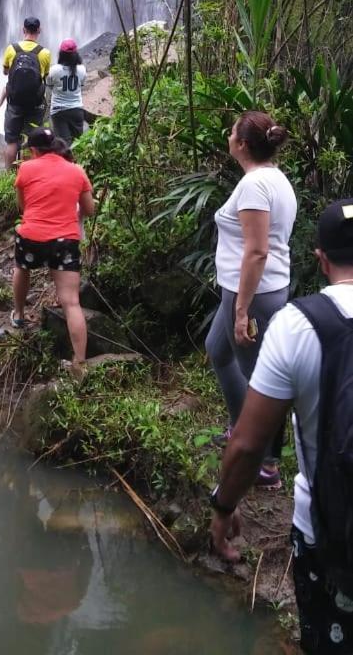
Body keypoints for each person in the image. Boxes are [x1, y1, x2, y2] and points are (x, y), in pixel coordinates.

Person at [210, 199, 353, 654]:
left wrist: (223, 505)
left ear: (321, 258)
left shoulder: (298, 325)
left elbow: (249, 443)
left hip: (329, 536)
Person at [205, 110, 297, 488]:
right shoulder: (270, 178)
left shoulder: (255, 185)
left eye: (231, 132)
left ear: (242, 144)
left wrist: (241, 310)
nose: (227, 136)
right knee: (218, 349)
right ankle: (241, 430)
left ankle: (267, 464)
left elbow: (257, 251)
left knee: (261, 377)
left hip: (253, 295)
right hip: (250, 290)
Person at [12, 127, 94, 367]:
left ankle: (18, 315)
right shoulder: (77, 171)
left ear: (34, 150)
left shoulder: (26, 168)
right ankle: (79, 362)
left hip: (32, 236)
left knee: (22, 267)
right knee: (71, 302)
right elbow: (89, 210)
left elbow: (23, 207)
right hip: (64, 241)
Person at [1, 17, 51, 169]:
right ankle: (28, 175)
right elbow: (44, 76)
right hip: (35, 104)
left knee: (11, 142)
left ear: (23, 30)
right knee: (30, 140)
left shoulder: (11, 49)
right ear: (39, 31)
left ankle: (9, 177)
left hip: (14, 102)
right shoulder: (45, 53)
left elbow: (5, 72)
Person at [46, 38, 87, 146]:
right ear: (75, 54)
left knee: (63, 145)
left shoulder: (54, 70)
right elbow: (81, 85)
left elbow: (49, 85)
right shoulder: (82, 69)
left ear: (61, 54)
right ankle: (77, 163)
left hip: (59, 111)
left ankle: (64, 162)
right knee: (78, 144)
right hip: (76, 110)